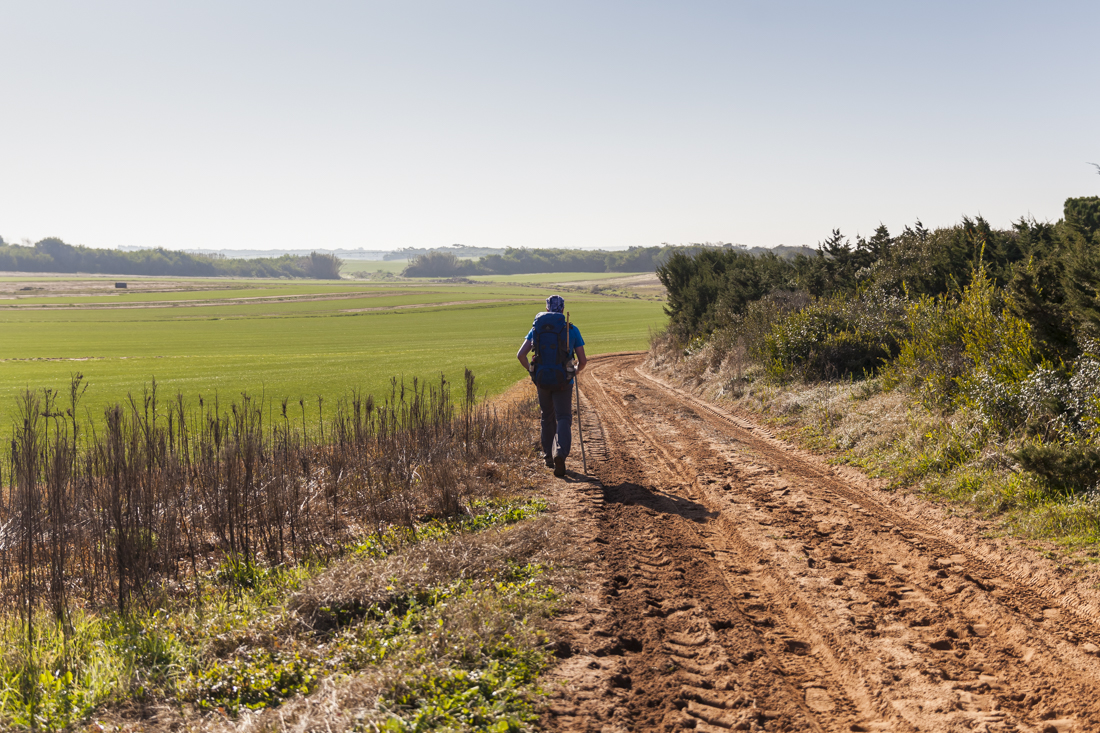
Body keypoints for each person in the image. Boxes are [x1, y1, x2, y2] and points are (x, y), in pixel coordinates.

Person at [517, 294, 587, 477]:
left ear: (547, 309)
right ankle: (560, 453)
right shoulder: (570, 330)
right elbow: (583, 360)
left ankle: (548, 456)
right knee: (563, 417)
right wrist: (574, 372)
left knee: (546, 416)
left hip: (542, 380)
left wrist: (531, 371)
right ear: (563, 309)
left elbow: (520, 355)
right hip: (564, 381)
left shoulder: (536, 330)